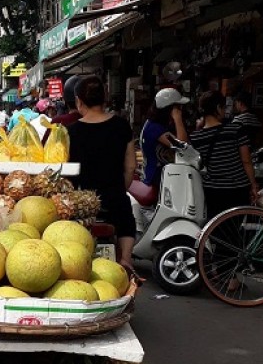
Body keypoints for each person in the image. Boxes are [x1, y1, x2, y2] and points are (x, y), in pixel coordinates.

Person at [68, 75, 137, 271]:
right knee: (126, 221)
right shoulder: (121, 126)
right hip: (114, 197)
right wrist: (118, 189)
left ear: (79, 102)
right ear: (104, 98)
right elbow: (131, 167)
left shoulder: (71, 131)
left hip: (81, 201)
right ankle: (125, 259)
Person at [190, 91, 258, 220]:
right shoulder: (236, 129)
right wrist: (253, 185)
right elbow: (246, 161)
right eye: (224, 107)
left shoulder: (195, 137)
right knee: (235, 229)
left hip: (212, 190)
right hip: (237, 188)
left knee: (216, 227)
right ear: (217, 108)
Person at [140, 88, 189, 188]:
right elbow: (182, 145)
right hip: (158, 177)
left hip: (166, 174)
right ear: (170, 109)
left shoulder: (158, 124)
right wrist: (178, 119)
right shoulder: (155, 128)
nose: (181, 110)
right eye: (178, 107)